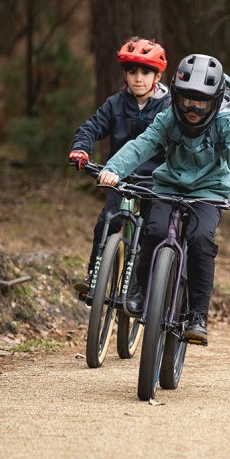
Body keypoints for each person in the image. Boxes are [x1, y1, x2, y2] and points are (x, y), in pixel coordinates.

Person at [96, 54, 230, 345]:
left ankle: (197, 315)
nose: (193, 110)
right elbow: (142, 145)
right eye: (186, 101)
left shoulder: (226, 122)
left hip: (209, 191)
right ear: (176, 96)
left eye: (201, 103)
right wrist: (114, 169)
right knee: (154, 231)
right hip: (168, 186)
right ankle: (142, 289)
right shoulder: (168, 116)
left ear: (216, 100)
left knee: (200, 241)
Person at [68, 37, 171, 297]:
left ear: (157, 75)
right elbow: (92, 127)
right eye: (132, 71)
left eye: (146, 72)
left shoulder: (169, 107)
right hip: (120, 177)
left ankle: (141, 288)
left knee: (152, 231)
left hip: (155, 181)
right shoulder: (116, 104)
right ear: (125, 74)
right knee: (106, 221)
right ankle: (94, 276)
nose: (139, 78)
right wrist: (82, 147)